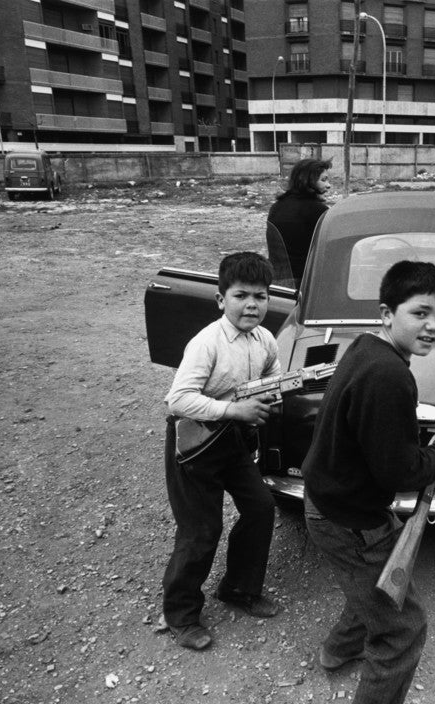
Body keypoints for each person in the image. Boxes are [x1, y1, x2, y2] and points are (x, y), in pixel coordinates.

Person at [302, 260, 435, 704]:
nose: (432, 325)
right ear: (387, 313)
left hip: (331, 501)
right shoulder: (390, 375)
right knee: (403, 631)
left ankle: (337, 651)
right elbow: (399, 472)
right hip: (348, 517)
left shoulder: (365, 348)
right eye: (421, 312)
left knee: (370, 584)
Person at [162, 251, 282, 651]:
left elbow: (271, 374)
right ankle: (180, 615)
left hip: (231, 439)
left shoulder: (265, 339)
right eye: (241, 295)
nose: (252, 305)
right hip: (193, 443)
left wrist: (272, 394)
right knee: (201, 530)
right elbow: (178, 399)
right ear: (220, 300)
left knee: (262, 507)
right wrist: (234, 408)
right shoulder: (207, 343)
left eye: (261, 296)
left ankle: (238, 589)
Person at [267, 158, 332, 285]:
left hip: (276, 281)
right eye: (323, 180)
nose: (328, 185)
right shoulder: (317, 210)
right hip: (305, 282)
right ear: (308, 181)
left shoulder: (277, 207)